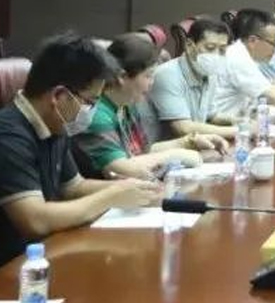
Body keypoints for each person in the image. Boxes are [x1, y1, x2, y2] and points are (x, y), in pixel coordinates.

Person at [0, 33, 160, 266]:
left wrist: (130, 189)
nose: (92, 111)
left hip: (47, 253)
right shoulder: (8, 135)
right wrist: (110, 197)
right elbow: (35, 220)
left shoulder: (55, 124)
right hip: (14, 267)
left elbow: (74, 187)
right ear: (59, 96)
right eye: (90, 102)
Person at [75, 34, 229, 181]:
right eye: (148, 75)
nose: (152, 82)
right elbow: (119, 169)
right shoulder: (96, 114)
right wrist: (175, 155)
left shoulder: (125, 106)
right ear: (122, 77)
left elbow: (142, 151)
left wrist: (189, 142)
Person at [141, 18, 237, 142]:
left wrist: (240, 121)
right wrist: (238, 131)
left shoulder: (209, 73)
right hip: (158, 149)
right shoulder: (168, 75)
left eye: (222, 50)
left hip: (193, 145)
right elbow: (183, 128)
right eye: (210, 48)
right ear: (189, 45)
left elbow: (210, 116)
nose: (216, 55)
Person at [213, 9, 275, 119]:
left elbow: (264, 86)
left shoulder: (242, 53)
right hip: (224, 123)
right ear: (253, 41)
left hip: (239, 118)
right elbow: (272, 96)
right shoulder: (238, 58)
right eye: (273, 43)